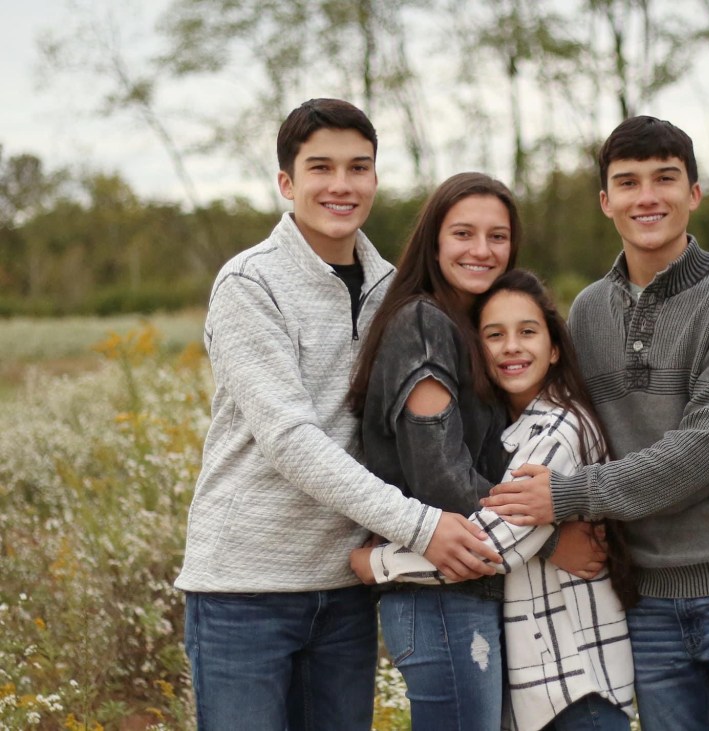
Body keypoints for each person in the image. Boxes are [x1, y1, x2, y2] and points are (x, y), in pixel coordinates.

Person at [174, 99, 501, 731]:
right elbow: (290, 439)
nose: (342, 185)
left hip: (346, 589)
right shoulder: (250, 284)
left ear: (375, 179)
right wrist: (420, 526)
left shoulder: (394, 290)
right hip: (245, 589)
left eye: (359, 167)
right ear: (287, 182)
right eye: (321, 168)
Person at [482, 116, 709, 731]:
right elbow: (560, 428)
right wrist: (551, 531)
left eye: (665, 178)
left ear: (694, 193)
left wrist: (566, 498)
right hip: (647, 603)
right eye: (628, 182)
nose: (647, 197)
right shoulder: (589, 312)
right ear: (606, 201)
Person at [346, 175, 603, 730]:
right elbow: (441, 479)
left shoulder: (467, 328)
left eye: (498, 236)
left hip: (465, 587)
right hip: (441, 597)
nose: (482, 250)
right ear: (434, 241)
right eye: (463, 233)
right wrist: (550, 538)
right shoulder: (424, 322)